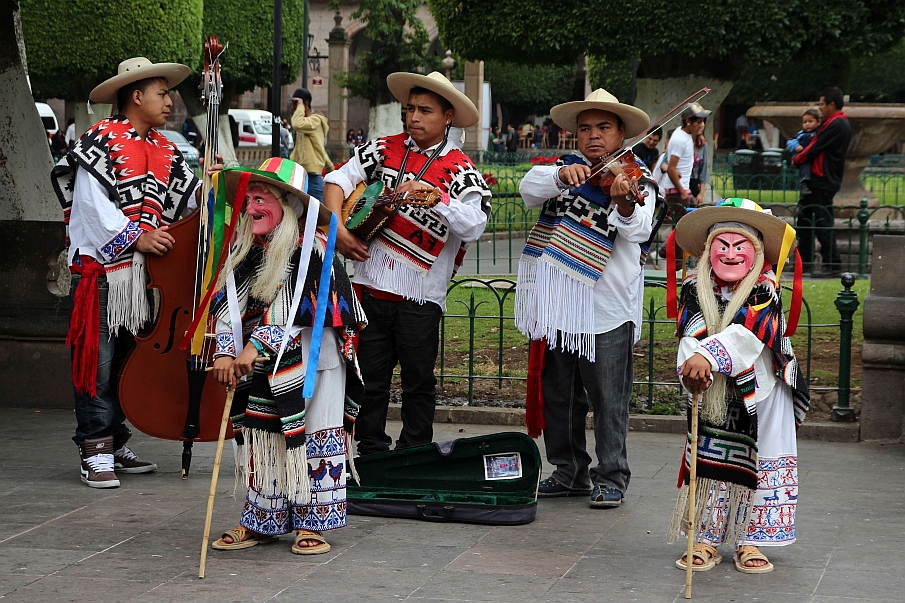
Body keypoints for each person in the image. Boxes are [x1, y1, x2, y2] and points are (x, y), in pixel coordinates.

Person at [50, 57, 216, 488]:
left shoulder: (165, 148)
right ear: (137, 95)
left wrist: (214, 187)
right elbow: (89, 204)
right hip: (102, 273)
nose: (169, 101)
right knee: (98, 361)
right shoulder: (98, 140)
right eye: (162, 93)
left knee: (127, 358)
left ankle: (115, 439)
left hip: (141, 278)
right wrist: (135, 237)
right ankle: (94, 446)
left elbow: (188, 200)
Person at [323, 71, 491, 456]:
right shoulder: (383, 149)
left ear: (447, 116)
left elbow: (477, 222)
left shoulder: (460, 168)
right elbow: (337, 180)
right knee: (370, 378)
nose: (413, 117)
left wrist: (437, 199)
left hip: (420, 296)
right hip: (369, 286)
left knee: (418, 380)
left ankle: (415, 451)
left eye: (425, 110)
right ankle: (371, 451)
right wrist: (339, 231)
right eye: (409, 109)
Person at [209, 158, 367, 555]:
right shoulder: (246, 250)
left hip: (316, 360)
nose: (250, 208)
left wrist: (254, 346)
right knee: (264, 437)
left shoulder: (312, 249)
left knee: (317, 435)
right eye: (247, 200)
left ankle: (313, 522)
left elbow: (293, 306)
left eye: (259, 199)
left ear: (289, 205)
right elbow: (228, 304)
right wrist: (225, 352)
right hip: (265, 365)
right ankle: (262, 519)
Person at [516, 89, 665, 508]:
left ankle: (612, 475)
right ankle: (568, 471)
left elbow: (638, 231)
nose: (593, 136)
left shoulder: (638, 177)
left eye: (603, 127)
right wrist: (560, 177)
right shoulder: (565, 169)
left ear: (622, 132)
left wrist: (624, 204)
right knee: (559, 393)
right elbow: (529, 189)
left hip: (606, 305)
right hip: (559, 302)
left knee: (607, 398)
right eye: (585, 128)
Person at [668, 197, 808, 575]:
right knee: (710, 456)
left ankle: (752, 538)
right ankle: (706, 537)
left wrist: (707, 357)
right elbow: (689, 331)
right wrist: (692, 365)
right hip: (713, 390)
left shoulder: (765, 290)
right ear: (709, 251)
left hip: (765, 388)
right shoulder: (694, 287)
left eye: (740, 246)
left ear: (757, 252)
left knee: (765, 459)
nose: (730, 254)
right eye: (722, 246)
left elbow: (751, 332)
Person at [793, 87, 851, 276]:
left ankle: (832, 265)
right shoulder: (834, 123)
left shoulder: (836, 124)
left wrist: (798, 158)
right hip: (819, 180)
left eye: (822, 103)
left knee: (822, 222)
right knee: (805, 220)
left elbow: (816, 147)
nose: (820, 107)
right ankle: (806, 262)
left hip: (823, 180)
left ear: (832, 104)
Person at [658, 102, 710, 213]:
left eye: (703, 122)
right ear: (688, 121)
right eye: (699, 122)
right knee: (682, 228)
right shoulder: (681, 140)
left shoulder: (682, 132)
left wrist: (698, 134)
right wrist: (683, 192)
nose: (702, 125)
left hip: (682, 190)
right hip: (677, 192)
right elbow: (671, 168)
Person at [289, 87, 330, 201]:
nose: (293, 107)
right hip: (300, 174)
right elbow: (318, 148)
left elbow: (297, 123)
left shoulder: (315, 121)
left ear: (305, 103)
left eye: (295, 103)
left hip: (312, 175)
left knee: (320, 213)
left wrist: (301, 106)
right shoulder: (306, 124)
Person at [786, 108, 820, 197]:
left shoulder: (819, 133)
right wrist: (796, 146)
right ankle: (804, 183)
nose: (807, 124)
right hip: (802, 155)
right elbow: (790, 141)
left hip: (813, 156)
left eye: (810, 121)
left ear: (818, 122)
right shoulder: (801, 134)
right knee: (805, 165)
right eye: (805, 122)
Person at [690, 132, 710, 205]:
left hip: (694, 184)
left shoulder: (702, 144)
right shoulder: (681, 141)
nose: (702, 125)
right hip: (680, 185)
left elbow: (704, 170)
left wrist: (701, 194)